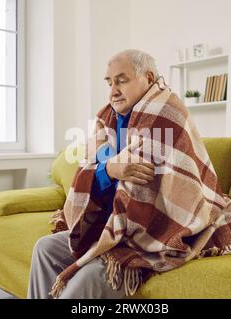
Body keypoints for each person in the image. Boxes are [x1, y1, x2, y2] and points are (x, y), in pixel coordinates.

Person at [27, 49, 159, 299]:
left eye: (121, 80)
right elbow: (89, 168)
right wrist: (109, 169)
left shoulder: (165, 118)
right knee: (45, 248)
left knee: (87, 278)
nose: (113, 91)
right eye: (109, 83)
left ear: (149, 78)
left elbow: (161, 192)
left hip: (141, 240)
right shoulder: (107, 120)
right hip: (105, 227)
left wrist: (108, 167)